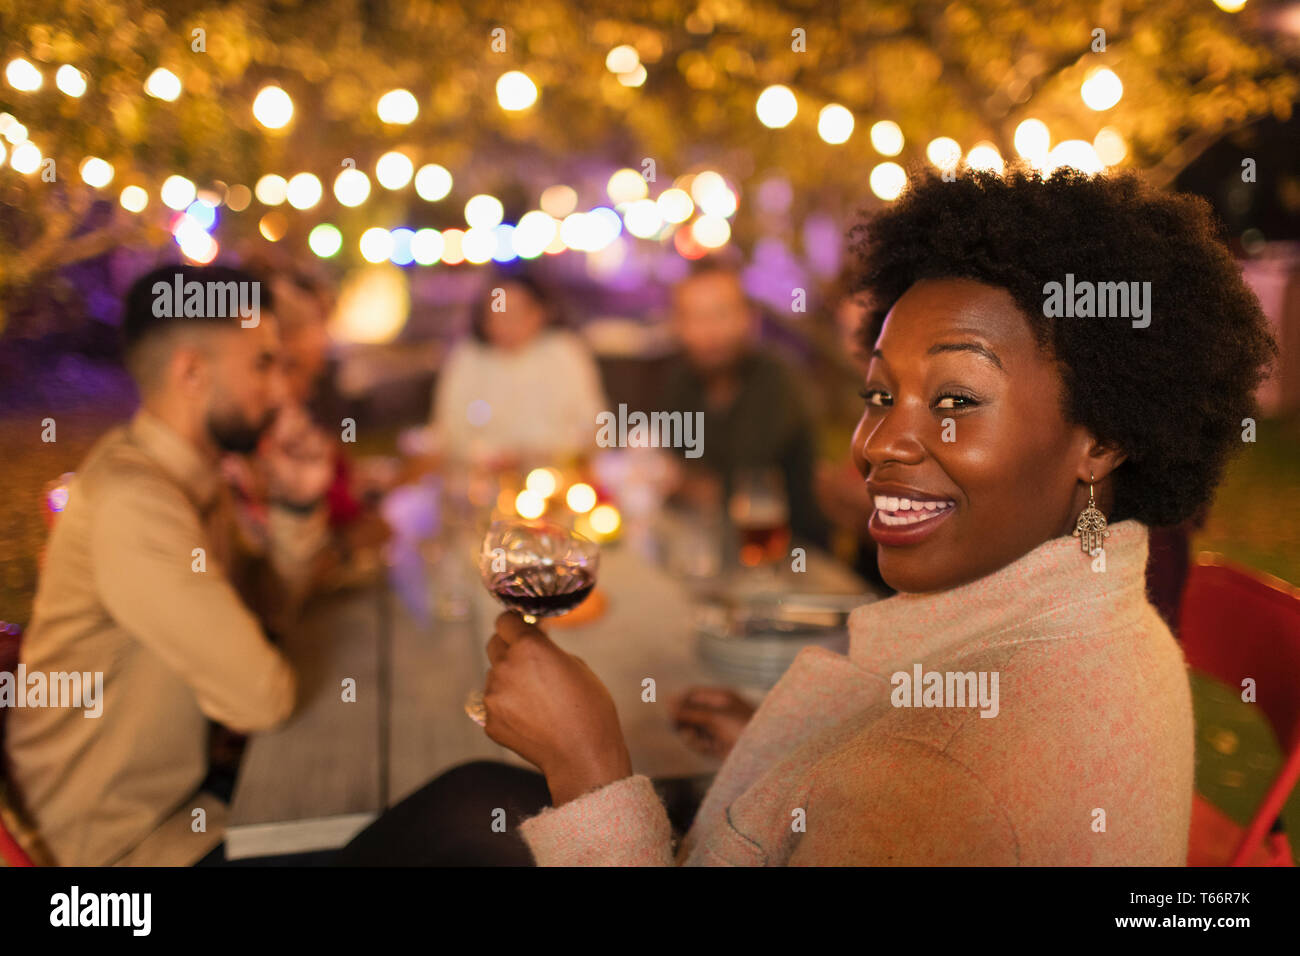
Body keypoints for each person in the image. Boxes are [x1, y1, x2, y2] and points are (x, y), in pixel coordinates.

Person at [446, 167, 1275, 865]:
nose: (879, 443)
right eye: (879, 394)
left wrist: (587, 767)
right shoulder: (1106, 622)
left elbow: (917, 791)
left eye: (954, 398)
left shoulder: (936, 776)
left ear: (1103, 438)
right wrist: (779, 759)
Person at [2, 263, 336, 866]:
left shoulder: (188, 477)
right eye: (262, 364)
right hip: (119, 856)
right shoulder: (136, 502)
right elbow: (262, 696)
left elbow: (268, 614)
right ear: (191, 371)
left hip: (190, 807)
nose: (283, 391)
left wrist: (295, 504)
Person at [660, 259, 829, 549]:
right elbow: (674, 466)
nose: (710, 331)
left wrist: (688, 485)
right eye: (696, 317)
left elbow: (744, 483)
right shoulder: (681, 382)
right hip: (709, 544)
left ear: (750, 319)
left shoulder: (778, 379)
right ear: (678, 325)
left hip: (794, 553)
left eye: (721, 314)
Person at [429, 270, 608, 469]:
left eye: (516, 313)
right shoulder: (468, 357)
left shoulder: (564, 351)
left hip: (556, 474)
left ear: (540, 313)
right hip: (484, 478)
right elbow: (449, 431)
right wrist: (491, 456)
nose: (506, 324)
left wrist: (548, 452)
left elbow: (593, 424)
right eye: (498, 314)